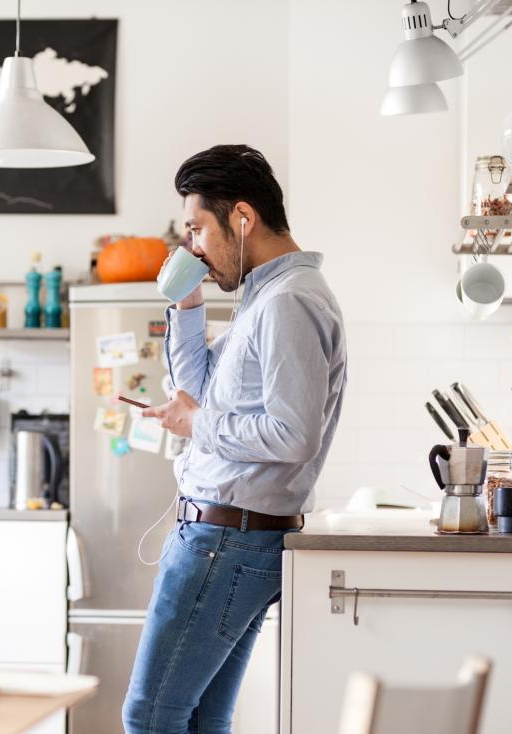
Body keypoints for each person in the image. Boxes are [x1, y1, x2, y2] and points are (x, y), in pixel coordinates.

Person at [122, 144, 347, 734]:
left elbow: (292, 434)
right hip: (229, 537)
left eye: (198, 229)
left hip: (226, 541)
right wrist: (187, 304)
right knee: (198, 720)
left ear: (242, 219)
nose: (194, 246)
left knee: (149, 718)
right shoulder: (265, 298)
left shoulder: (289, 302)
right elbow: (194, 390)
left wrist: (196, 425)